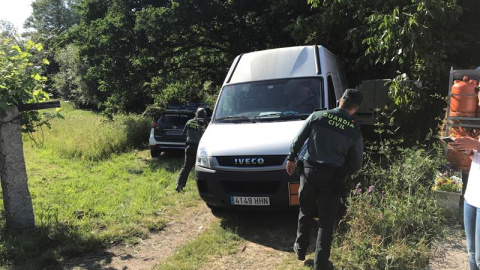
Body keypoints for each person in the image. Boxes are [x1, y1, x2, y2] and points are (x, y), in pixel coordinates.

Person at [285, 89, 364, 270]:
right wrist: (345, 173)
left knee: (305, 210)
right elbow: (357, 163)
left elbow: (298, 139)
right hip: (333, 178)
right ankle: (321, 264)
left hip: (309, 172)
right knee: (326, 221)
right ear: (355, 109)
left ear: (339, 101)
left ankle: (300, 249)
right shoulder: (353, 131)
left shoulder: (317, 116)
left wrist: (291, 158)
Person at [449, 137, 480, 270]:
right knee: (471, 252)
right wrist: (469, 152)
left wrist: (476, 145)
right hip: (471, 197)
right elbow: (477, 161)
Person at [175, 107, 209, 192]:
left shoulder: (189, 122)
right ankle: (206, 188)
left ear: (195, 114)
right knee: (204, 168)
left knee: (186, 167)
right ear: (204, 115)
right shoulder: (205, 123)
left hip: (189, 147)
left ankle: (179, 185)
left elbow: (184, 133)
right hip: (200, 149)